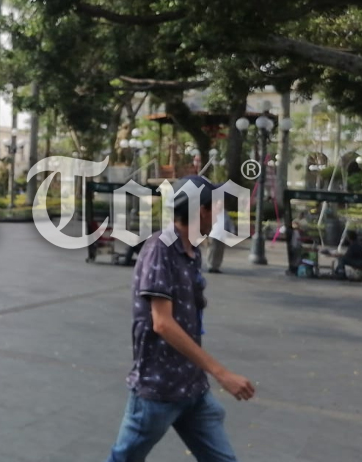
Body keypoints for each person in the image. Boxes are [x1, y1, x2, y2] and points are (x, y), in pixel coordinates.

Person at [106, 176, 255, 462]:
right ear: (201, 210)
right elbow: (162, 323)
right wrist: (221, 373)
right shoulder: (160, 248)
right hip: (158, 390)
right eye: (216, 207)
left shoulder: (191, 251)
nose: (220, 214)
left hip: (192, 388)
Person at [206, 199, 232, 273]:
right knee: (212, 250)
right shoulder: (213, 212)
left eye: (222, 204)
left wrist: (231, 231)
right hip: (213, 234)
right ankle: (210, 266)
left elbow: (229, 222)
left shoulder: (225, 213)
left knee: (220, 252)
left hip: (222, 235)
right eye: (219, 204)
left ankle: (216, 266)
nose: (220, 206)